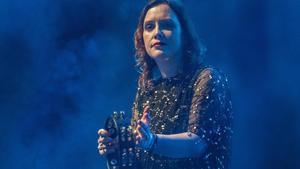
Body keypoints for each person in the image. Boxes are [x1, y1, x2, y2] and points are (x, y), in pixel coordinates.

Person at [97, 0, 233, 168]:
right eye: (149, 27)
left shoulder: (207, 78)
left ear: (184, 35)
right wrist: (120, 147)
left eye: (167, 25)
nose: (157, 33)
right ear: (142, 38)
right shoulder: (147, 90)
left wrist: (153, 141)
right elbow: (143, 154)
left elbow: (197, 142)